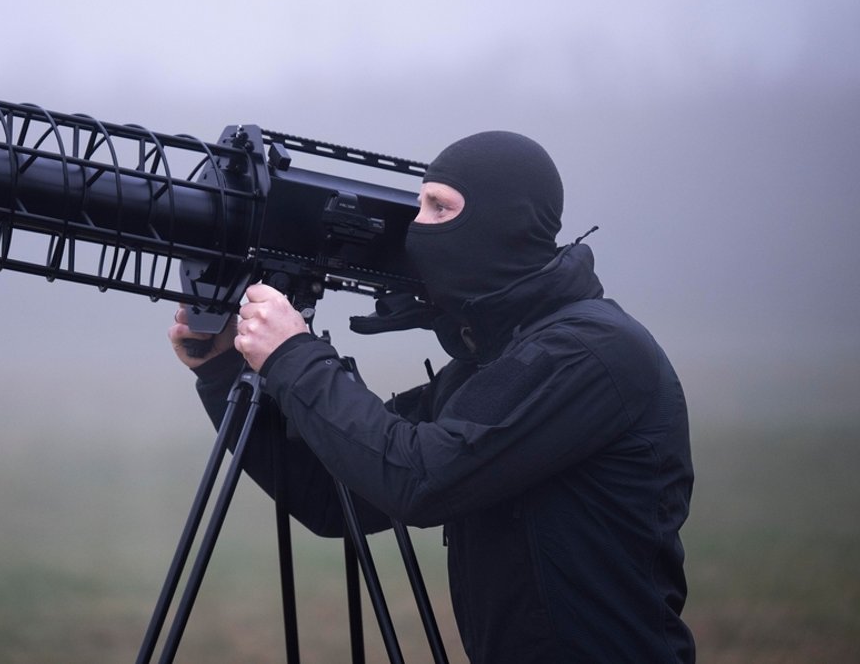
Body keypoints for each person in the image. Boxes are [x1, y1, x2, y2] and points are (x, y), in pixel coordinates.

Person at [167, 131, 695, 663]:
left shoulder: (589, 352)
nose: (416, 228)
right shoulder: (489, 364)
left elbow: (421, 478)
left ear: (504, 225)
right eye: (419, 204)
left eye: (439, 208)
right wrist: (222, 370)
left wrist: (293, 356)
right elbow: (336, 497)